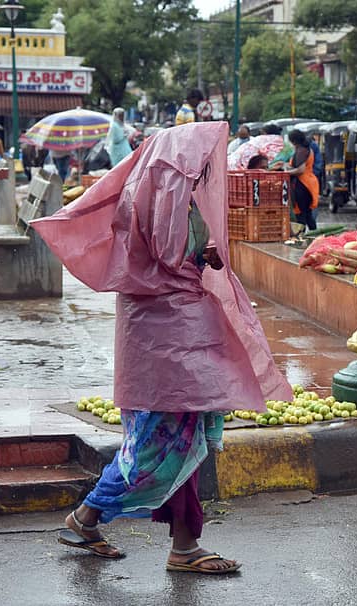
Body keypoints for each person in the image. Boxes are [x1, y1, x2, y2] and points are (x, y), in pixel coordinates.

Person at [34, 122, 292, 575]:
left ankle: (179, 543)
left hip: (170, 336)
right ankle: (90, 518)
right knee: (158, 447)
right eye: (199, 167)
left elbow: (168, 253)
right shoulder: (162, 197)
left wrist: (202, 255)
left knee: (177, 443)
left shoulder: (160, 195)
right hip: (168, 339)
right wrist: (195, 256)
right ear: (178, 169)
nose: (205, 175)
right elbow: (166, 254)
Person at [284, 129, 320, 231]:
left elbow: (300, 170)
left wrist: (286, 173)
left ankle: (301, 235)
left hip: (303, 184)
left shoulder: (301, 151)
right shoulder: (306, 148)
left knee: (301, 213)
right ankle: (314, 233)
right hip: (309, 182)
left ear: (293, 141)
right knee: (307, 213)